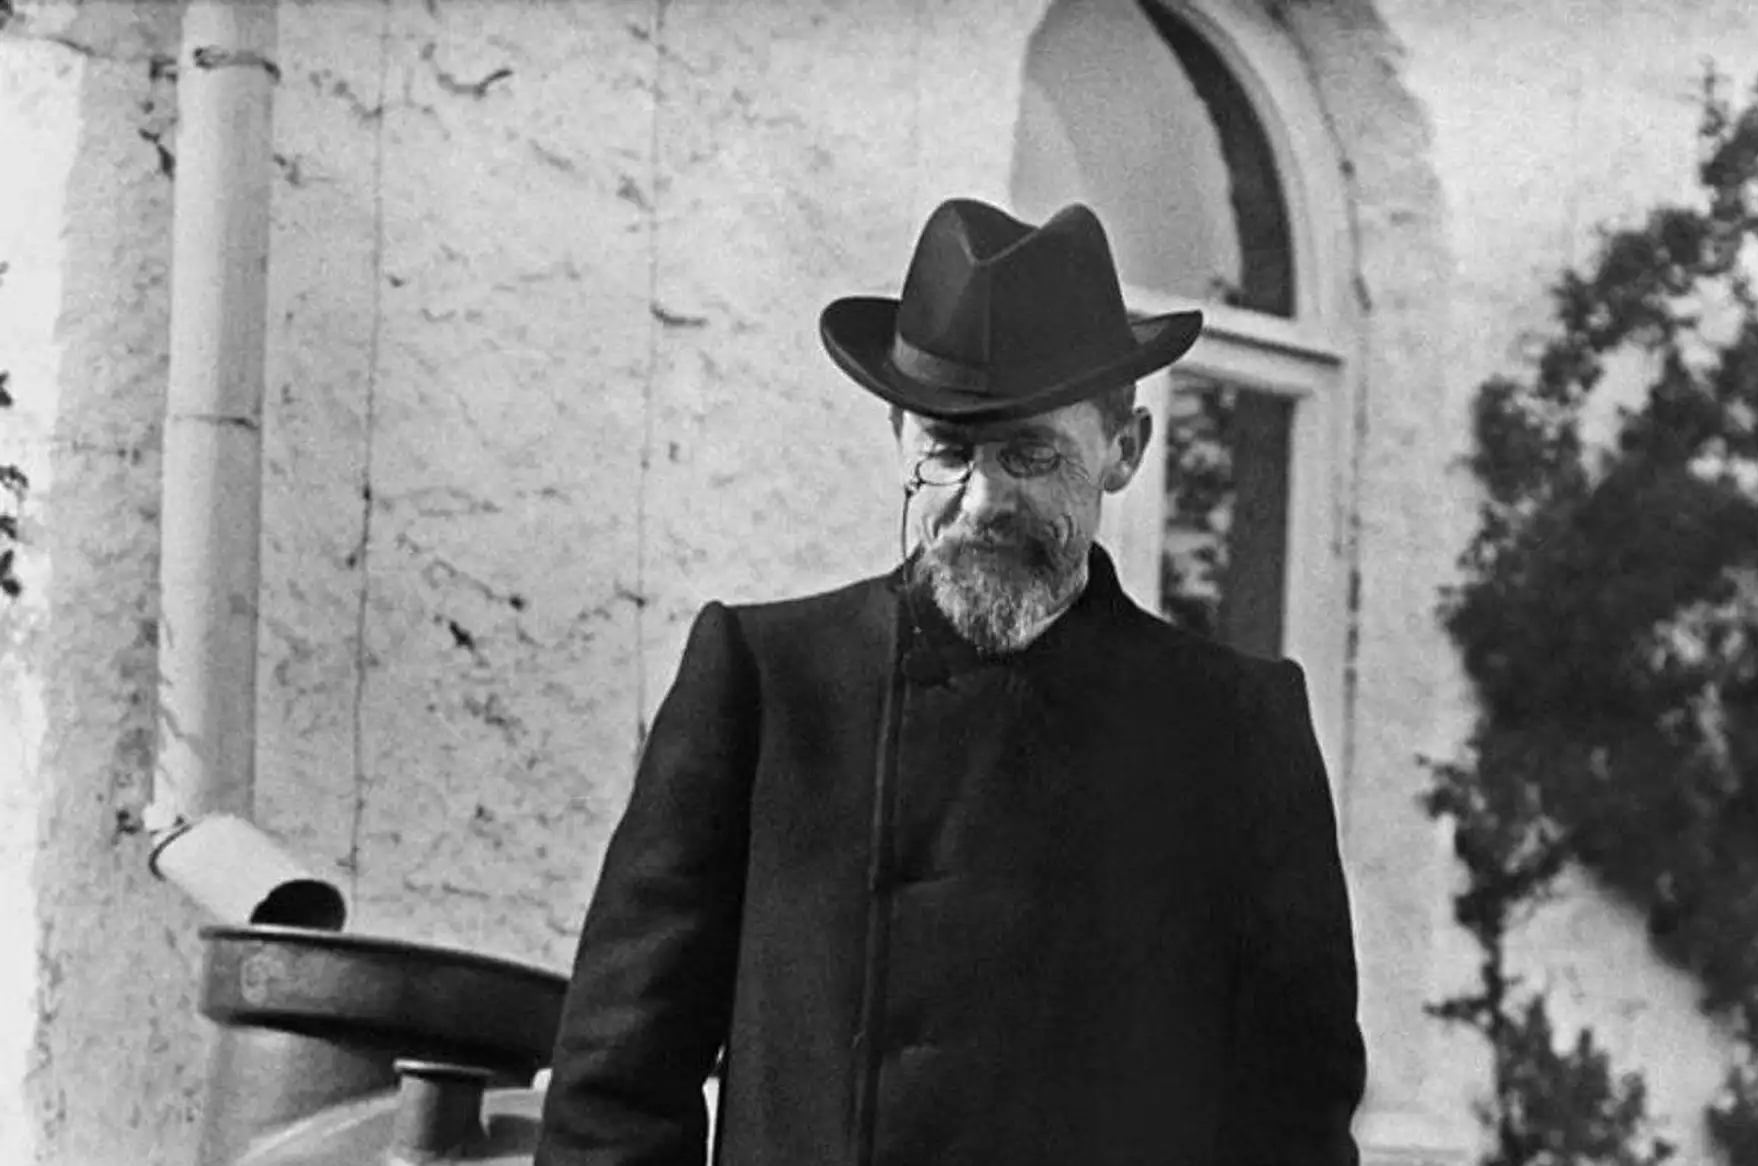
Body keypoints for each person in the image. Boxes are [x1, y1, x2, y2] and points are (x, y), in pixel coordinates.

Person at [534, 198, 1366, 1166]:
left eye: (1030, 454)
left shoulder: (1236, 731)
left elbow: (1295, 1127)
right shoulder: (766, 686)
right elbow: (615, 1095)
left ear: (1125, 450)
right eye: (947, 450)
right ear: (898, 435)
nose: (982, 500)